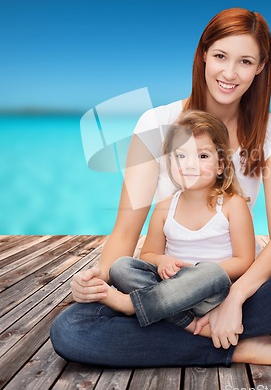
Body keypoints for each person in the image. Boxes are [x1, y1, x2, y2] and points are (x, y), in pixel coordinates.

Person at [50, 8, 271, 370]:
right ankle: (235, 346)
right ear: (203, 55)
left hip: (230, 286)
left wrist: (235, 299)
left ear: (260, 67)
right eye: (221, 56)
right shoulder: (155, 124)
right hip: (164, 289)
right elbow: (127, 231)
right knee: (71, 329)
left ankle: (202, 331)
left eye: (245, 61)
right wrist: (97, 283)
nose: (229, 73)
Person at [103, 110, 256, 332]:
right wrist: (162, 260)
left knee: (212, 273)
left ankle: (132, 306)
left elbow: (244, 260)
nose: (190, 164)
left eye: (203, 156)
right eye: (181, 156)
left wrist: (194, 272)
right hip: (170, 291)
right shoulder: (164, 208)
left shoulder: (233, 205)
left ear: (221, 165)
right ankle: (187, 323)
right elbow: (147, 255)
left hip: (210, 294)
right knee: (121, 267)